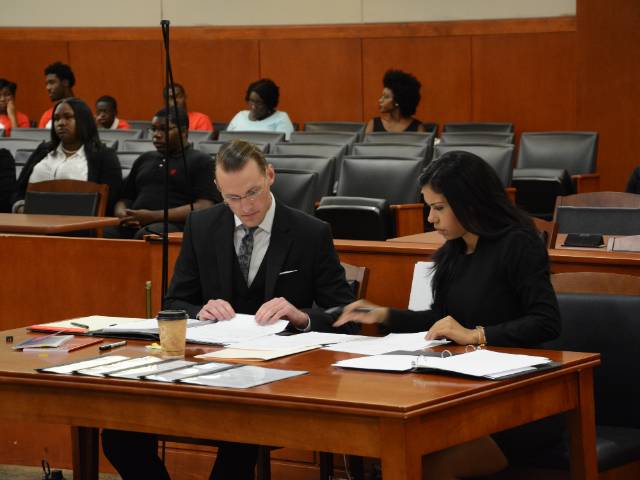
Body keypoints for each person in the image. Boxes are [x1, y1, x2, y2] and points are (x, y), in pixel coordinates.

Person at [101, 139, 357, 480]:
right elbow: (174, 304)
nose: (246, 207)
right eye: (232, 197)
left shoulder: (310, 232)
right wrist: (200, 310)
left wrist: (303, 316)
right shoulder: (202, 226)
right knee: (118, 435)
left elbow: (347, 315)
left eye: (252, 193)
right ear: (219, 190)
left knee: (242, 436)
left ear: (270, 175)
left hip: (276, 383)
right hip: (205, 373)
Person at [334, 151, 561, 479]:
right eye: (429, 207)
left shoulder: (519, 244)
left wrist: (476, 335)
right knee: (391, 451)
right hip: (462, 393)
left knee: (417, 465)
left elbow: (546, 321)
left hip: (517, 403)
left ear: (469, 203)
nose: (430, 219)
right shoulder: (454, 251)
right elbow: (441, 320)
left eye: (438, 208)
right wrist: (383, 314)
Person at [106, 106, 219, 239]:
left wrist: (153, 216)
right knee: (101, 230)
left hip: (175, 225)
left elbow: (205, 206)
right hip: (135, 223)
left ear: (183, 131)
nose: (156, 135)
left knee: (147, 234)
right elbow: (125, 198)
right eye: (153, 129)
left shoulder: (201, 161)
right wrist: (122, 213)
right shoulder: (145, 159)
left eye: (164, 129)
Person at [13, 97, 122, 215]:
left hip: (78, 225)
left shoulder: (104, 156)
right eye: (56, 118)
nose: (61, 123)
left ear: (83, 120)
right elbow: (18, 192)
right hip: (31, 221)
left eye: (68, 117)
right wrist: (20, 208)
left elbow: (109, 202)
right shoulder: (43, 150)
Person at [227, 78, 294, 140]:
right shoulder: (240, 116)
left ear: (269, 103)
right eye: (251, 101)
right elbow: (225, 142)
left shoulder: (281, 118)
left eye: (259, 103)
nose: (253, 106)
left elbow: (283, 149)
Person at [366, 69, 426, 134]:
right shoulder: (373, 124)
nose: (380, 100)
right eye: (382, 96)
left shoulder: (417, 128)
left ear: (397, 101)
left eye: (386, 97)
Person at [38, 62, 75, 129]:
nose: (48, 88)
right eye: (46, 84)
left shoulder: (82, 112)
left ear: (65, 82)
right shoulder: (46, 116)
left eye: (52, 82)